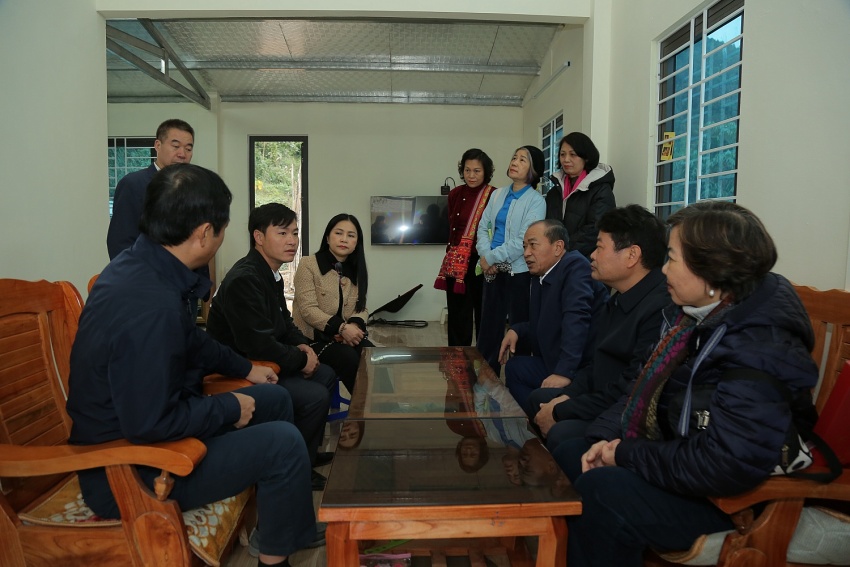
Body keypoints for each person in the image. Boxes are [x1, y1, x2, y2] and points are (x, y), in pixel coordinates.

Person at [67, 164, 322, 567]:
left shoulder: (143, 266)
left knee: (274, 398)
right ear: (204, 233)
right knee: (283, 444)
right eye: (222, 229)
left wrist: (247, 369)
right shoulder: (150, 306)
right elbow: (150, 422)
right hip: (130, 470)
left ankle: (286, 528)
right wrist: (229, 407)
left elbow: (193, 341)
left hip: (144, 437)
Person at [553, 201, 820, 567]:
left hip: (733, 502)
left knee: (601, 491)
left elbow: (726, 463)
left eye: (672, 259)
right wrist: (608, 441)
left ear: (711, 270)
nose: (663, 269)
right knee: (575, 453)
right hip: (688, 459)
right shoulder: (694, 317)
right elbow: (643, 389)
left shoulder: (759, 345)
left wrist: (625, 454)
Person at [206, 203, 336, 490]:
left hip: (266, 359)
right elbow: (257, 344)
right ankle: (295, 466)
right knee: (314, 396)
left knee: (325, 374)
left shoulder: (270, 273)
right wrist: (300, 360)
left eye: (295, 233)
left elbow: (284, 323)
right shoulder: (245, 278)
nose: (292, 240)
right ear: (259, 237)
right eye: (282, 233)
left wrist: (304, 347)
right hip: (242, 367)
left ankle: (306, 454)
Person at [528, 205, 670, 450]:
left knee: (562, 434)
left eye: (600, 247)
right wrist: (568, 396)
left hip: (623, 411)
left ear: (632, 255)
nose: (592, 255)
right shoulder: (617, 299)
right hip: (601, 395)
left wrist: (563, 409)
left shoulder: (659, 309)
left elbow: (630, 389)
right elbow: (596, 366)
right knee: (539, 399)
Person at [499, 219, 607, 408]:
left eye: (533, 245)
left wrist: (564, 372)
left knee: (534, 390)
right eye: (524, 247)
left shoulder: (576, 267)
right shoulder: (541, 275)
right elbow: (547, 323)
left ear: (558, 247)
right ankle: (537, 419)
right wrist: (517, 330)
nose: (526, 253)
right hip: (555, 361)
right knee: (515, 368)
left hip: (582, 368)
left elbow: (576, 321)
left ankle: (548, 417)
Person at [475, 146, 547, 375]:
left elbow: (523, 240)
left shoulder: (536, 201)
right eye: (514, 157)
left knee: (519, 328)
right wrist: (485, 257)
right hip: (491, 270)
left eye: (523, 160)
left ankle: (518, 378)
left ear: (533, 170)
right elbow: (483, 227)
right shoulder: (497, 194)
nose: (515, 162)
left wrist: (491, 257)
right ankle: (485, 378)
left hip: (519, 272)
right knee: (488, 328)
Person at [292, 213, 373, 395]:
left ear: (357, 242)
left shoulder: (355, 269)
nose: (344, 239)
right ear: (328, 237)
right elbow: (308, 310)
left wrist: (354, 326)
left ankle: (387, 405)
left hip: (344, 336)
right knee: (348, 357)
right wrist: (341, 328)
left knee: (372, 355)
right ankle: (364, 407)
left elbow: (361, 307)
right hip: (311, 340)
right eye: (338, 233)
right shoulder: (308, 264)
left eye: (351, 235)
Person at [107, 119, 195, 259]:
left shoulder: (193, 187)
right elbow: (120, 242)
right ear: (157, 145)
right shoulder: (133, 184)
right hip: (146, 270)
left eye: (188, 149)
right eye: (175, 146)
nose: (182, 154)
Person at [434, 148, 495, 347]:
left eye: (477, 171)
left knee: (484, 313)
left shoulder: (494, 195)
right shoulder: (454, 194)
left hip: (481, 261)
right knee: (458, 315)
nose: (471, 175)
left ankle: (484, 358)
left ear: (486, 171)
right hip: (457, 262)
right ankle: (457, 359)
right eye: (467, 170)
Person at [545, 132, 615, 259]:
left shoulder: (601, 189)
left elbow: (595, 229)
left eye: (573, 154)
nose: (566, 159)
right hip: (556, 258)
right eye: (562, 154)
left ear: (586, 157)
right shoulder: (553, 192)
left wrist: (563, 250)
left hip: (587, 260)